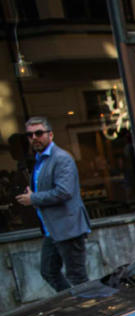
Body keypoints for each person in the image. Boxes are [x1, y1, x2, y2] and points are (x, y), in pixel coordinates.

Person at [14, 116, 91, 292]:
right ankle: (74, 302)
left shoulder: (61, 158)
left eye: (39, 133)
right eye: (30, 135)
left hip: (68, 228)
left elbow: (64, 192)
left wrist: (33, 198)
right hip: (52, 229)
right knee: (48, 271)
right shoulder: (40, 160)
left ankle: (93, 310)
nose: (34, 138)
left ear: (50, 134)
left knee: (77, 276)